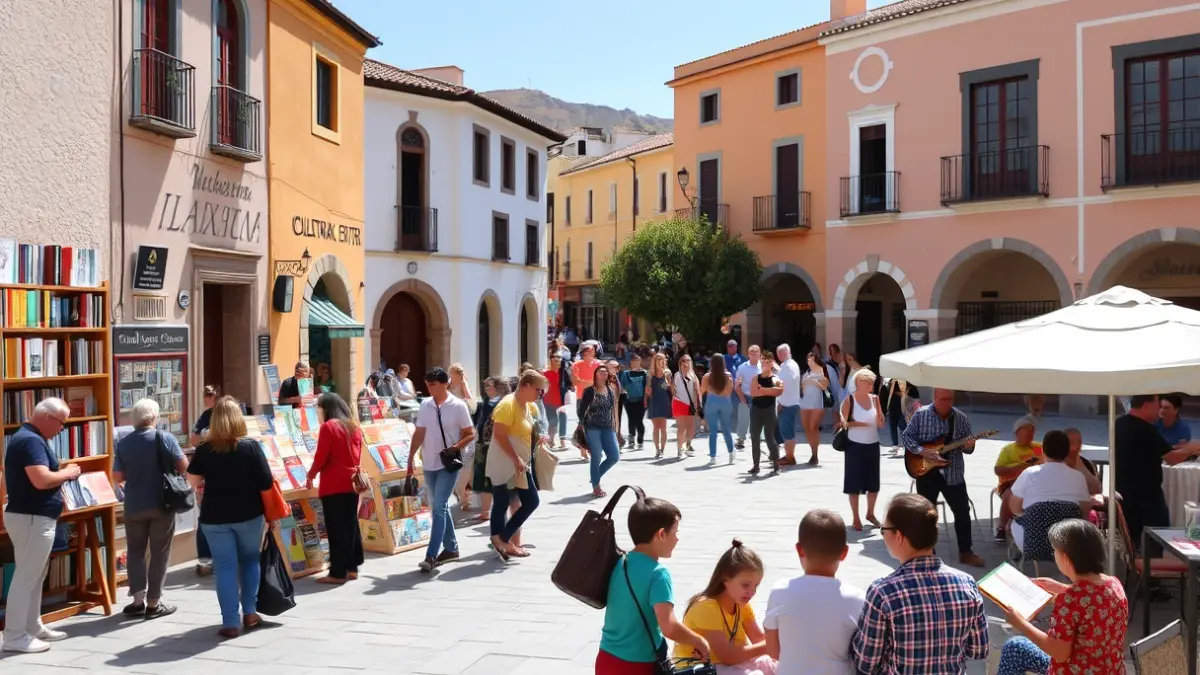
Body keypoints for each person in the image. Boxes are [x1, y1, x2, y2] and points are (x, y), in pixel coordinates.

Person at [851, 494, 989, 674]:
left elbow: (866, 662)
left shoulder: (883, 592)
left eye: (884, 530)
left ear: (899, 536)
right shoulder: (967, 584)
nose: (883, 535)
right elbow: (978, 649)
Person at [185, 396, 275, 638]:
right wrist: (271, 516)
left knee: (225, 568)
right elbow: (266, 483)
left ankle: (230, 622)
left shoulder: (205, 449)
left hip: (214, 517)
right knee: (250, 561)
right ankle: (250, 614)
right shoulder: (251, 447)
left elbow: (191, 481)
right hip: (249, 514)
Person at [995, 519, 1128, 675]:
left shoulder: (1069, 600)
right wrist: (1060, 587)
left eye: (1055, 551)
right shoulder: (1113, 584)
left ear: (1065, 558)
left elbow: (1059, 653)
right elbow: (1094, 600)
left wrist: (1021, 624)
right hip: (1110, 670)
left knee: (1015, 647)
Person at [597, 497, 710, 674]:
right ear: (661, 534)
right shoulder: (658, 574)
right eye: (675, 532)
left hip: (606, 659)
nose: (677, 539)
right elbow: (669, 627)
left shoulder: (620, 562)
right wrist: (699, 641)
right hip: (638, 665)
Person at [1, 398, 79, 653]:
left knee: (34, 574)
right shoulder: (31, 441)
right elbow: (41, 480)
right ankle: (14, 636)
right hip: (32, 518)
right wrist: (68, 472)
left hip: (30, 516)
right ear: (47, 417)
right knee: (27, 577)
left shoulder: (25, 438)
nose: (62, 428)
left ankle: (32, 626)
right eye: (61, 422)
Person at [765, 509, 864, 675]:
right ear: (844, 553)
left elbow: (773, 652)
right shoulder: (857, 599)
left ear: (799, 549)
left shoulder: (780, 591)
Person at [113, 398, 188, 618]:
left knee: (135, 550)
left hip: (134, 505)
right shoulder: (165, 438)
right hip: (161, 503)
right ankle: (153, 603)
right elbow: (183, 465)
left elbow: (118, 476)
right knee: (159, 552)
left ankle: (137, 601)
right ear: (154, 417)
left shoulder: (124, 442)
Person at [900, 389, 986, 567]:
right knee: (925, 515)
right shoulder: (921, 415)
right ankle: (926, 553)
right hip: (926, 472)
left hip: (952, 473)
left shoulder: (960, 418)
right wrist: (921, 451)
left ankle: (966, 551)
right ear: (934, 398)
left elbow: (968, 449)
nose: (948, 403)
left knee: (962, 512)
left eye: (950, 399)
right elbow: (907, 437)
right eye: (943, 399)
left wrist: (969, 446)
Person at [407, 368, 476, 573]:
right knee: (439, 507)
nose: (430, 388)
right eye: (427, 385)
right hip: (429, 463)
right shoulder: (425, 405)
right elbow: (419, 433)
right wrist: (410, 458)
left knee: (438, 507)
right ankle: (452, 549)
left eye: (433, 384)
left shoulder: (458, 406)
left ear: (445, 384)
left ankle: (431, 556)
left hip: (448, 464)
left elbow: (470, 433)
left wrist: (455, 447)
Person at [676, 540, 775, 675]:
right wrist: (771, 644)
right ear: (726, 579)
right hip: (700, 669)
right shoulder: (706, 607)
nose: (752, 592)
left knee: (775, 665)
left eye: (756, 586)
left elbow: (758, 639)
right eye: (746, 585)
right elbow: (727, 656)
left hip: (730, 665)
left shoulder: (741, 604)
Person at [1116, 394, 1200, 550]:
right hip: (1147, 496)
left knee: (1130, 540)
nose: (1160, 411)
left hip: (1123, 492)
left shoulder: (1118, 423)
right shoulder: (1146, 429)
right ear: (1146, 405)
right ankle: (1151, 564)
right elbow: (1172, 458)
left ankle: (1133, 564)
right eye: (1158, 406)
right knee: (1157, 537)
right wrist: (1190, 449)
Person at [485, 370, 547, 560]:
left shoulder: (529, 406)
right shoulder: (507, 404)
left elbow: (529, 429)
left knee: (528, 501)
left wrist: (538, 437)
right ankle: (501, 539)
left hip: (520, 463)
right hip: (505, 462)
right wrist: (515, 458)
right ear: (526, 386)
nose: (540, 394)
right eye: (538, 390)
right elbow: (499, 435)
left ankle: (502, 538)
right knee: (504, 501)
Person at [305, 393, 365, 584]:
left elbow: (321, 456)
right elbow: (358, 454)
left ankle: (337, 573)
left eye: (319, 408)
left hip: (333, 484)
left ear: (326, 409)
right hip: (352, 482)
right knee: (350, 525)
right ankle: (352, 567)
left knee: (336, 529)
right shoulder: (353, 426)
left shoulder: (328, 427)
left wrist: (311, 475)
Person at [1007, 430, 1093, 553]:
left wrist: (1033, 514)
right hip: (1067, 545)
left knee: (1015, 522)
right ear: (1066, 452)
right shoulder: (1078, 477)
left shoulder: (1029, 474)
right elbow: (1085, 512)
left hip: (1033, 542)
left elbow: (1015, 508)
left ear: (1043, 450)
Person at [840, 369, 884, 531]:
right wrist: (860, 424)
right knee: (853, 483)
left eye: (872, 383)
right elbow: (844, 423)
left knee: (873, 482)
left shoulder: (875, 399)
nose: (872, 386)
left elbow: (881, 422)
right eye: (869, 383)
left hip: (873, 444)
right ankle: (856, 518)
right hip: (854, 445)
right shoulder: (849, 400)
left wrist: (880, 420)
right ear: (859, 383)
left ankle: (870, 514)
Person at [993, 416, 1044, 543]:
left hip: (1034, 484)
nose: (1030, 434)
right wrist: (1021, 466)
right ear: (1017, 432)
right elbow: (998, 470)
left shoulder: (1038, 447)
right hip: (1009, 484)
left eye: (1032, 431)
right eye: (1026, 431)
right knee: (1010, 494)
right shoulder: (1008, 450)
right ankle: (1001, 527)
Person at [189, 384, 221, 573]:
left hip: (220, 478)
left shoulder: (222, 413)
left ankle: (217, 560)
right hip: (208, 477)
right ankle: (206, 562)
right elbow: (193, 439)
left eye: (211, 395)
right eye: (206, 395)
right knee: (205, 520)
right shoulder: (205, 416)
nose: (208, 398)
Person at [580, 365, 623, 497]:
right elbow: (581, 411)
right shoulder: (590, 391)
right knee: (597, 456)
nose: (603, 374)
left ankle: (595, 477)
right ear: (596, 375)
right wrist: (583, 428)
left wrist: (616, 429)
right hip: (592, 428)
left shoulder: (611, 390)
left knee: (614, 456)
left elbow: (614, 409)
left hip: (608, 427)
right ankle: (596, 486)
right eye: (600, 372)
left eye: (605, 372)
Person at [748, 354, 782, 476]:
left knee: (770, 438)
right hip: (756, 410)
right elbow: (753, 393)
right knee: (755, 437)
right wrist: (769, 391)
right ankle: (756, 466)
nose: (764, 364)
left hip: (769, 410)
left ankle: (776, 464)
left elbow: (779, 391)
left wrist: (762, 390)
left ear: (772, 363)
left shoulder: (775, 378)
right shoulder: (755, 378)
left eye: (767, 362)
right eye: (762, 362)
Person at [702, 353, 737, 465]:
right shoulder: (728, 376)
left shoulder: (707, 376)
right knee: (726, 429)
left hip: (711, 404)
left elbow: (703, 390)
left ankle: (713, 457)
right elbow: (728, 392)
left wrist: (712, 389)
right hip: (725, 404)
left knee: (713, 431)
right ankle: (731, 452)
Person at [798, 353, 828, 466]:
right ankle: (812, 452)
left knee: (813, 427)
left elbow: (825, 386)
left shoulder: (822, 370)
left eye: (812, 360)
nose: (809, 363)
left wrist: (814, 382)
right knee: (807, 428)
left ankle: (815, 455)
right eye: (808, 360)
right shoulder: (807, 372)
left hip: (817, 403)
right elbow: (802, 387)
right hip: (805, 402)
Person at [775, 344, 802, 467]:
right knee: (787, 432)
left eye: (779, 353)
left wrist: (781, 402)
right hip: (790, 403)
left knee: (788, 433)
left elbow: (786, 384)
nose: (778, 355)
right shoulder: (788, 365)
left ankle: (790, 458)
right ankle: (789, 455)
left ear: (784, 353)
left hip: (787, 404)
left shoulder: (789, 366)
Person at [734, 346, 763, 450]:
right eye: (752, 353)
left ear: (759, 354)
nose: (755, 354)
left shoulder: (763, 366)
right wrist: (741, 398)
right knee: (743, 418)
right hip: (745, 395)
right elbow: (737, 384)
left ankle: (757, 437)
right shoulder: (742, 367)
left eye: (757, 352)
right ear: (748, 354)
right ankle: (741, 439)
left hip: (760, 396)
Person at [672, 354, 701, 458]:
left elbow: (697, 391)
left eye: (688, 360)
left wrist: (698, 404)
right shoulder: (677, 375)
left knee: (691, 428)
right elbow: (673, 389)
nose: (686, 362)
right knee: (681, 428)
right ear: (680, 363)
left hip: (690, 404)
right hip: (679, 403)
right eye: (683, 360)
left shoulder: (693, 375)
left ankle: (687, 446)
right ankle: (680, 450)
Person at [646, 352, 674, 459]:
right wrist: (648, 387)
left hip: (663, 400)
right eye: (658, 359)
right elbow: (648, 390)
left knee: (663, 427)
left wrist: (665, 378)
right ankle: (657, 449)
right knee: (656, 427)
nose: (660, 361)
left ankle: (662, 450)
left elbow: (669, 388)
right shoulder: (650, 373)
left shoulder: (668, 372)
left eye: (662, 359)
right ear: (654, 360)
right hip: (654, 400)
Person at [619, 354, 648, 450]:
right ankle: (631, 440)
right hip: (629, 400)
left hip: (641, 400)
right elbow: (622, 386)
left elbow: (647, 387)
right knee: (631, 419)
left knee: (639, 420)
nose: (636, 363)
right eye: (634, 361)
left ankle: (640, 440)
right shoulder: (625, 373)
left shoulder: (644, 373)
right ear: (630, 362)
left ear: (640, 361)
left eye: (637, 360)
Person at [1062, 428, 1103, 496]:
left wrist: (1080, 467)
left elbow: (1097, 490)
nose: (1076, 446)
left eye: (1079, 442)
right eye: (1071, 443)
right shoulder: (1054, 462)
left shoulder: (1086, 463)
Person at [883, 378, 919, 452]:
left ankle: (909, 442)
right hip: (895, 404)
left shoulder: (902, 380)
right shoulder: (894, 381)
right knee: (896, 425)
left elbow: (914, 393)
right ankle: (896, 445)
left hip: (902, 404)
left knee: (902, 425)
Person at [542, 354, 570, 448]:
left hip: (561, 401)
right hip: (548, 401)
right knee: (552, 421)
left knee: (563, 418)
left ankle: (562, 440)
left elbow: (570, 385)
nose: (558, 363)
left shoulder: (564, 374)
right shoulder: (545, 374)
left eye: (559, 361)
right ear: (551, 362)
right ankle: (551, 439)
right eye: (556, 361)